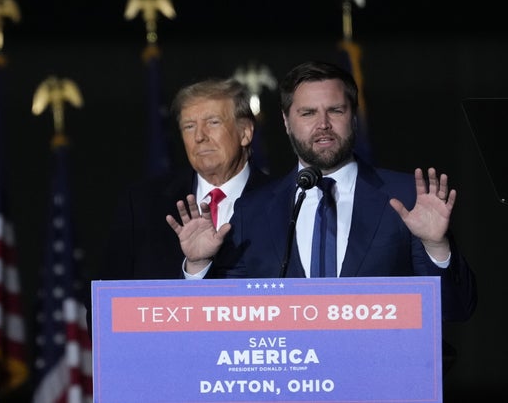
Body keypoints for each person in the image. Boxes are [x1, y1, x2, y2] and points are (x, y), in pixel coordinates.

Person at [166, 60, 477, 323]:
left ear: (353, 116)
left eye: (335, 110)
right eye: (308, 113)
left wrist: (436, 247)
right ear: (287, 122)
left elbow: (455, 311)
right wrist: (198, 266)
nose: (323, 124)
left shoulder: (408, 197)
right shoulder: (254, 209)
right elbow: (219, 318)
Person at [97, 77, 270, 280]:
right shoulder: (141, 204)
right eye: (189, 126)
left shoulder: (285, 202)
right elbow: (103, 299)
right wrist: (194, 270)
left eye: (213, 122)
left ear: (245, 132)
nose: (199, 136)